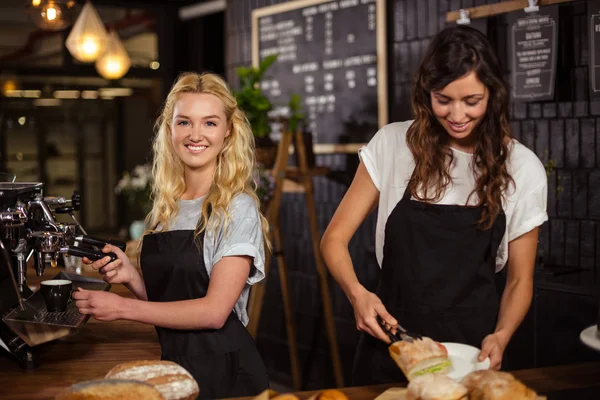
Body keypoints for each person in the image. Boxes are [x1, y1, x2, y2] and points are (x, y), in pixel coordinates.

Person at [320, 25, 548, 386]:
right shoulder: (393, 144)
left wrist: (502, 335)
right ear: (426, 94)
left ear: (493, 94)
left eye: (471, 101)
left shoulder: (521, 166)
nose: (457, 114)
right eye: (443, 99)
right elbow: (333, 239)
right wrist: (358, 294)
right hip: (393, 348)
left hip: (472, 356)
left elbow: (520, 279)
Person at [73, 72, 270, 399]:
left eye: (209, 123)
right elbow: (172, 303)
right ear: (169, 129)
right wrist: (131, 277)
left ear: (228, 131)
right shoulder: (167, 206)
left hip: (225, 373)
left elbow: (213, 312)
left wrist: (123, 308)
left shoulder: (236, 207)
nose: (196, 134)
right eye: (184, 122)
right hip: (174, 367)